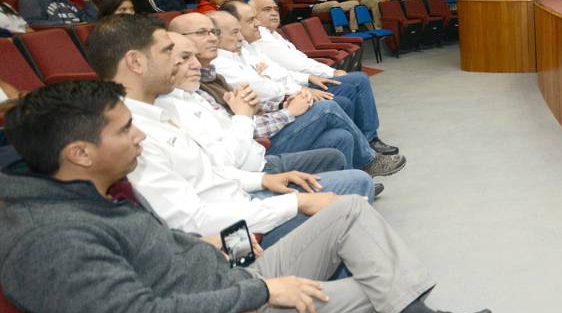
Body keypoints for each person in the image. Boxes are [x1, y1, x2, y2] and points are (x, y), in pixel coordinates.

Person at [0, 80, 492, 313]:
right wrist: (260, 292)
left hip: (223, 284)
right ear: (80, 152)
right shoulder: (52, 238)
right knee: (377, 289)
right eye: (126, 129)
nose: (140, 139)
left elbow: (164, 250)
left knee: (349, 212)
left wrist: (223, 246)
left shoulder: (91, 191)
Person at [83, 14, 374, 244]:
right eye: (171, 52)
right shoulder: (129, 131)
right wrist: (291, 201)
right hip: (235, 230)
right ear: (135, 61)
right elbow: (192, 224)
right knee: (354, 188)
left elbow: (211, 172)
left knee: (348, 176)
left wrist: (262, 181)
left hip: (243, 196)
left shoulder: (154, 110)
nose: (180, 62)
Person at [205, 10, 402, 175]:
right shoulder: (221, 64)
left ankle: (360, 174)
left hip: (279, 106)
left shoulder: (238, 53)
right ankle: (368, 159)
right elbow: (264, 91)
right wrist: (290, 105)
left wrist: (289, 94)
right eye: (236, 31)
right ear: (215, 36)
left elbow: (271, 82)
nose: (242, 35)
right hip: (259, 143)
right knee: (329, 108)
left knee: (341, 135)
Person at [247, 0, 398, 156]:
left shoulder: (274, 34)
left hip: (301, 82)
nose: (274, 13)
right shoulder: (261, 37)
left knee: (356, 82)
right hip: (294, 91)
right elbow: (298, 66)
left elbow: (299, 61)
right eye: (267, 9)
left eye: (276, 9)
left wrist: (316, 76)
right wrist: (330, 72)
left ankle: (365, 139)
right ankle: (367, 140)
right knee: (356, 83)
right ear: (253, 16)